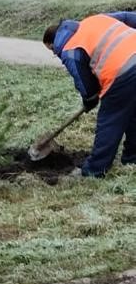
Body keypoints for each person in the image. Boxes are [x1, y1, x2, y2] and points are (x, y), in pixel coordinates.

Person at [43, 11, 136, 177]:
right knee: (132, 112)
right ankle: (132, 158)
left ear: (54, 41)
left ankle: (94, 170)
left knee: (110, 121)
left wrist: (89, 99)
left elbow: (84, 81)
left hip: (122, 72)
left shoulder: (69, 49)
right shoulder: (94, 20)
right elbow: (128, 18)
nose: (54, 53)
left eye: (52, 50)